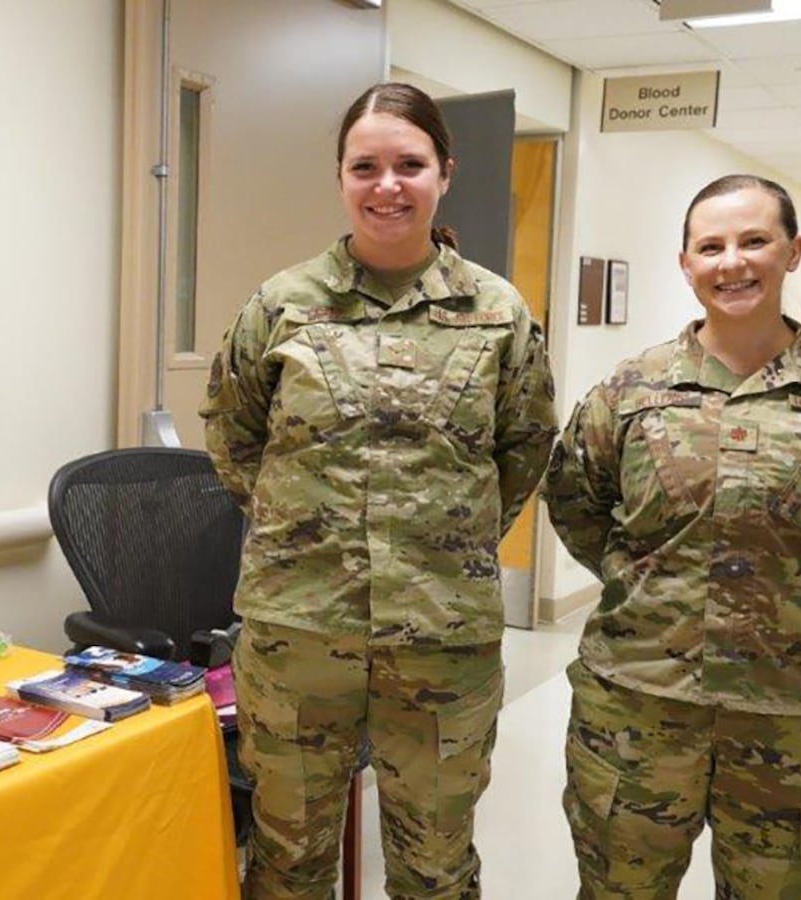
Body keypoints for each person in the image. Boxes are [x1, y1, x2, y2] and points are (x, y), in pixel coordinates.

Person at [201, 82, 557, 899]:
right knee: (288, 864)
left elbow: (524, 447)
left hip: (442, 639)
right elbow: (232, 436)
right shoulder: (283, 304)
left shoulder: (497, 312)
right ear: (340, 178)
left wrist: (442, 539)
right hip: (299, 636)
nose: (387, 185)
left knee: (435, 868)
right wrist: (306, 533)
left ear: (444, 173)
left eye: (409, 164)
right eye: (366, 166)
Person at [542, 174, 801, 899]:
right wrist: (652, 591)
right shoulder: (629, 392)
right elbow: (576, 503)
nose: (733, 262)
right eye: (712, 246)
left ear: (793, 251)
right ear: (686, 262)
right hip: (639, 712)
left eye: (755, 240)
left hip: (798, 723)